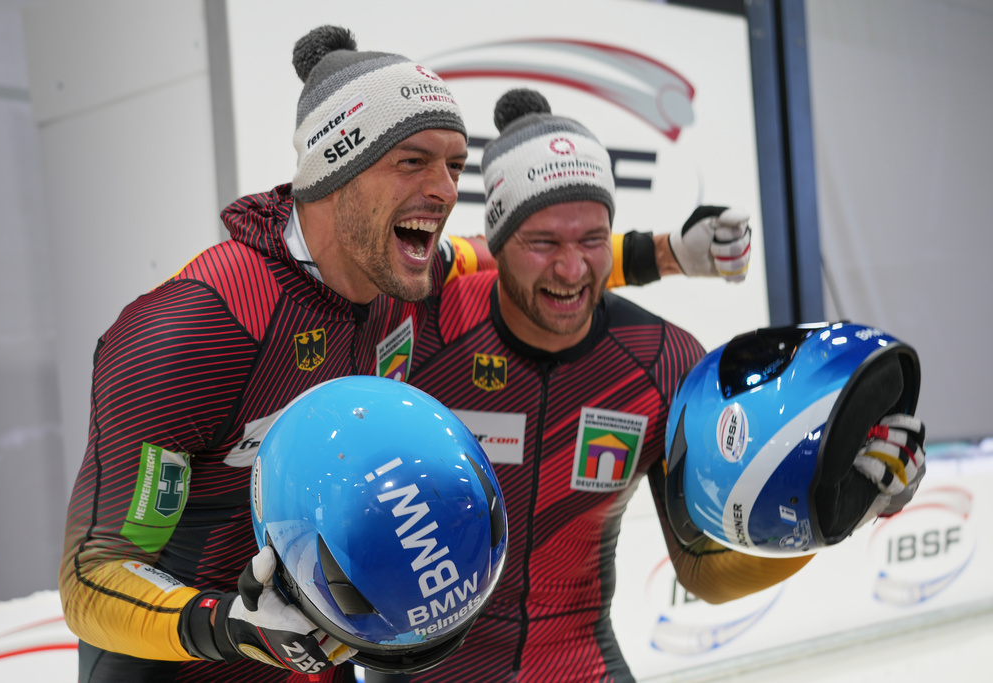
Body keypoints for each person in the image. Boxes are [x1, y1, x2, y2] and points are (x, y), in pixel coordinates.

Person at [58, 27, 747, 683]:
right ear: (336, 171)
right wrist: (229, 623)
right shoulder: (197, 326)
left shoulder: (404, 274)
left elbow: (504, 253)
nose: (446, 189)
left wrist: (668, 254)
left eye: (454, 164)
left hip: (320, 659)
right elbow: (92, 573)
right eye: (412, 161)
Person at [361, 89, 927, 682]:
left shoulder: (661, 360)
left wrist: (828, 515)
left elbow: (702, 571)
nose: (573, 268)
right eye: (544, 242)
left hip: (575, 661)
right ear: (499, 243)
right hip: (412, 665)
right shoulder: (422, 320)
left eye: (591, 240)